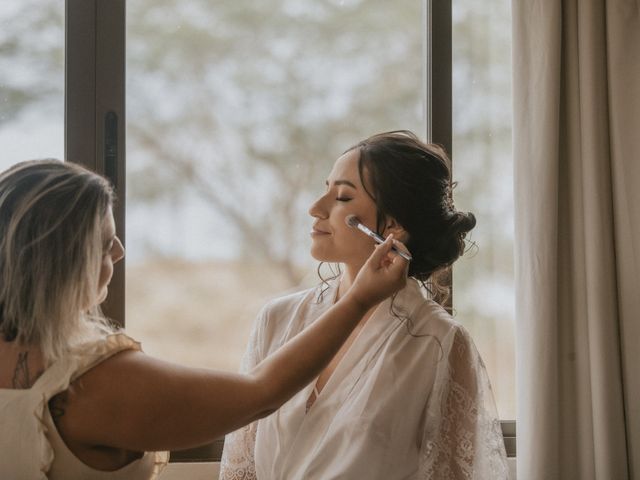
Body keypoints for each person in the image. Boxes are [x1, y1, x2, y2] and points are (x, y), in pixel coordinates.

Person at [0, 159, 409, 479]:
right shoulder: (88, 383)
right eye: (106, 244)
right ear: (63, 261)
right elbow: (259, 393)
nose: (121, 252)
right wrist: (357, 301)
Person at [220, 130, 509, 479]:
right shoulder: (277, 320)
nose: (315, 208)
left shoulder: (439, 343)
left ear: (394, 226)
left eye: (342, 197)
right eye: (326, 188)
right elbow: (241, 469)